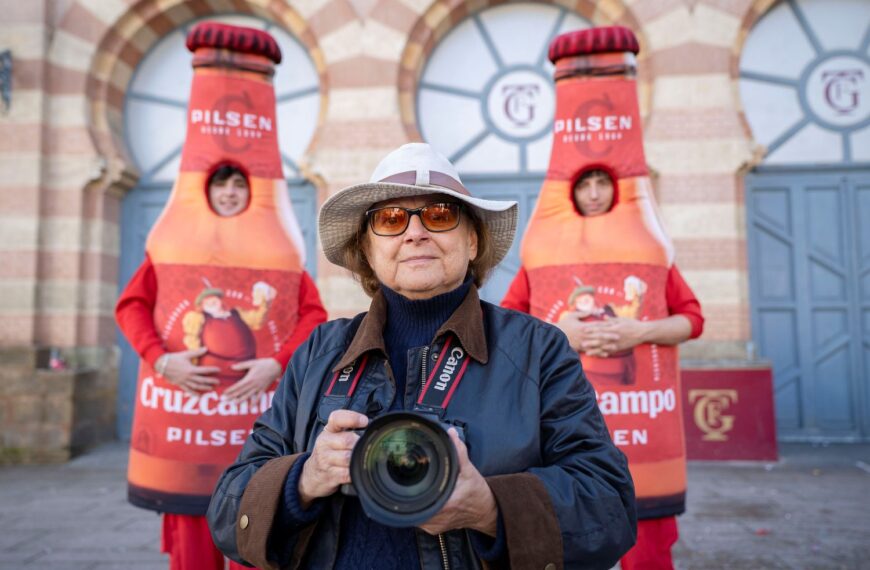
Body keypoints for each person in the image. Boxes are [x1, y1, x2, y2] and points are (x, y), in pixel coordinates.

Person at [207, 143, 637, 569]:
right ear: (368, 251)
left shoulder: (537, 350)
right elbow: (227, 515)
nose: (415, 233)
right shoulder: (320, 351)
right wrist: (305, 477)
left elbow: (610, 507)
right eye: (391, 219)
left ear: (472, 241)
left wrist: (490, 508)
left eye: (440, 215)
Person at [116, 163, 327, 570]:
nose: (229, 192)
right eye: (220, 184)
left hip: (252, 429)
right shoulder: (173, 248)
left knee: (255, 538)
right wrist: (161, 360)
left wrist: (275, 364)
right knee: (193, 552)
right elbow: (132, 306)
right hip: (188, 431)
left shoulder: (276, 252)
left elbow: (312, 315)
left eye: (238, 184)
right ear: (204, 192)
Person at [502, 168, 704, 569]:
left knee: (648, 553)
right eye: (584, 184)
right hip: (567, 428)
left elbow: (693, 319)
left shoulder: (651, 253)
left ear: (619, 189)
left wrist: (640, 331)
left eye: (602, 183)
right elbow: (509, 326)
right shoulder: (542, 257)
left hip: (641, 431)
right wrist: (560, 333)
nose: (594, 194)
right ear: (569, 192)